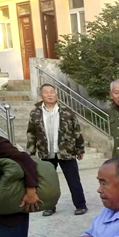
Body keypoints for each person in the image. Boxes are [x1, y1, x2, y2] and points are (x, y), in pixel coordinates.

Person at [26, 83, 87, 216]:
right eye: (46, 92)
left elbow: (77, 131)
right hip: (46, 153)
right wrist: (30, 153)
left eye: (52, 92)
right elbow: (31, 134)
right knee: (48, 183)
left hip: (66, 152)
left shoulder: (67, 111)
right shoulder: (35, 113)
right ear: (41, 95)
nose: (50, 94)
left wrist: (80, 149)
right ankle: (49, 206)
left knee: (74, 181)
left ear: (56, 94)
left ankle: (81, 205)